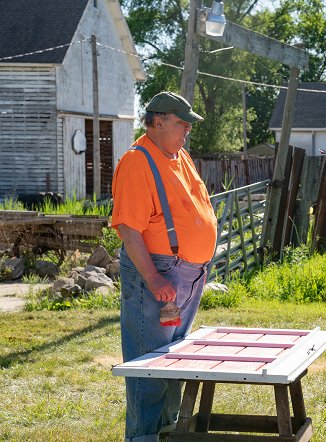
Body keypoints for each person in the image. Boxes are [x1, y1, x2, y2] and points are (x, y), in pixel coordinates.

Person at [111, 91, 217, 442]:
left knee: (174, 362)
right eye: (182, 122)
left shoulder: (178, 155)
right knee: (149, 369)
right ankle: (143, 438)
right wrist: (154, 277)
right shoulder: (138, 161)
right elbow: (129, 229)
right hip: (159, 275)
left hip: (186, 275)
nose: (188, 129)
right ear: (158, 121)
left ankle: (168, 435)